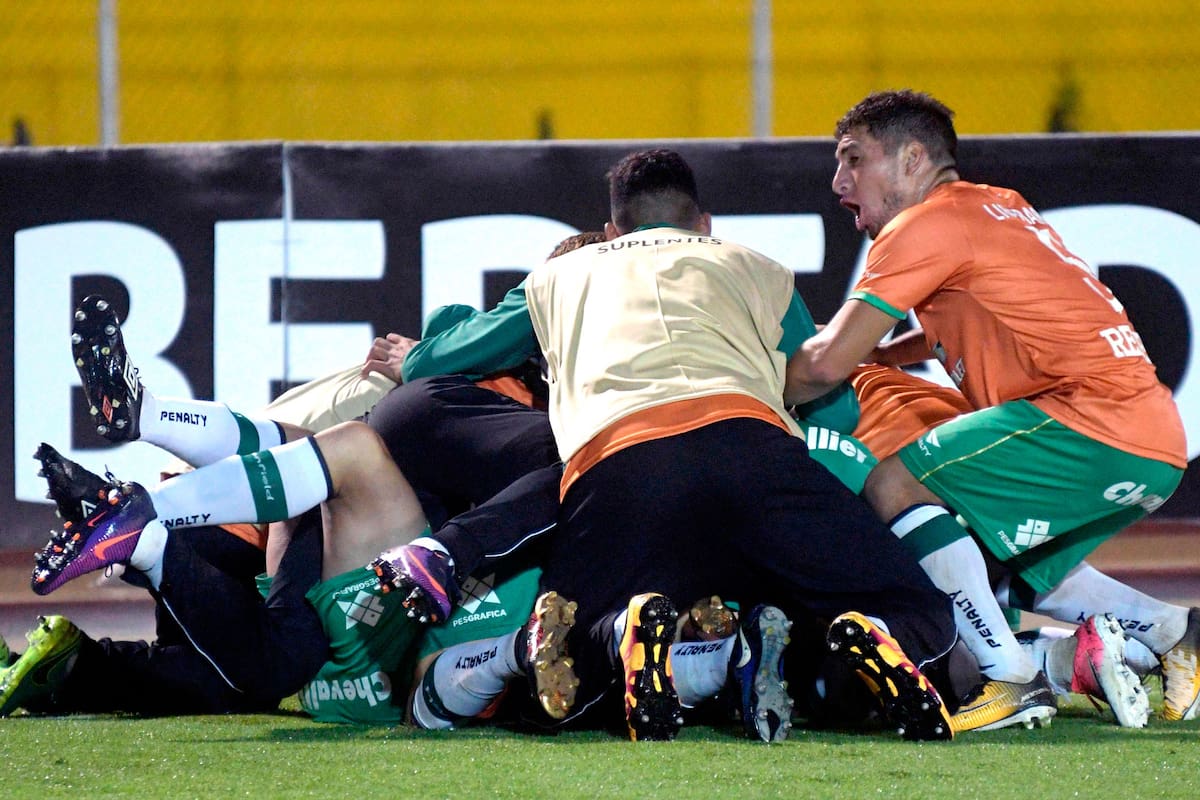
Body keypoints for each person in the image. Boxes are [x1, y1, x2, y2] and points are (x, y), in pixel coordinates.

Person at [516, 147, 980, 742]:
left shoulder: (559, 275)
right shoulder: (754, 266)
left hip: (621, 463)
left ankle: (624, 633)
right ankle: (875, 632)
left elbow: (471, 350)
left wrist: (414, 360)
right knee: (914, 609)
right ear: (704, 225)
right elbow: (836, 406)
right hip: (754, 450)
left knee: (565, 655)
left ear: (610, 232)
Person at [786, 89, 1194, 725]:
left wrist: (750, 390)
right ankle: (1172, 633)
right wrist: (897, 353)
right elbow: (992, 309)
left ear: (913, 158)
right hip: (1154, 439)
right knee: (996, 547)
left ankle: (1010, 679)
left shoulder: (920, 227)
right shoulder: (1000, 205)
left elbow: (825, 362)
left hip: (1086, 422)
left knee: (897, 480)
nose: (840, 181)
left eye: (853, 159)